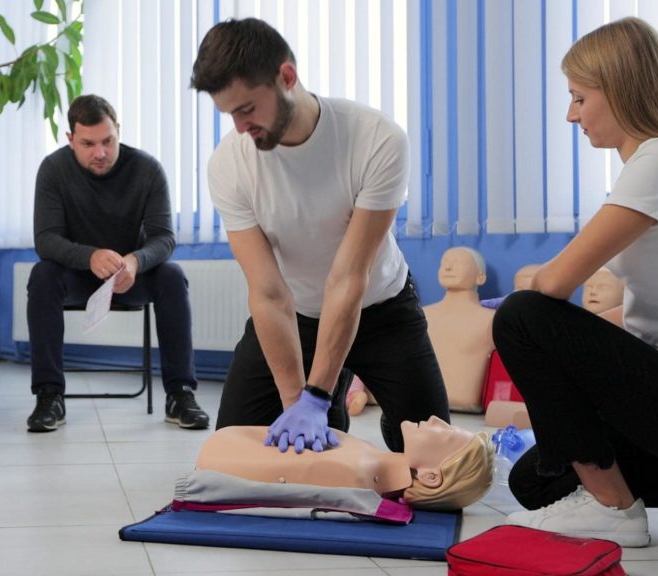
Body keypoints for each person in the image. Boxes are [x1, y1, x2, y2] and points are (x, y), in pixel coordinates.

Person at [494, 17, 658, 547]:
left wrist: (528, 327)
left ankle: (614, 510)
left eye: (579, 98)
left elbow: (553, 283)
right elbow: (645, 314)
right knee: (534, 482)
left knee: (521, 316)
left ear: (619, 90)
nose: (571, 115)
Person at [190, 18, 449, 454]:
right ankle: (331, 402)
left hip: (380, 310)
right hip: (295, 316)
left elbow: (348, 277)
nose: (239, 128)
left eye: (247, 109)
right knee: (232, 450)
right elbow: (269, 293)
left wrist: (315, 398)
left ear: (286, 77)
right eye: (229, 114)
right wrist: (297, 403)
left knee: (434, 454)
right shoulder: (229, 165)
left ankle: (336, 392)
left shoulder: (376, 139)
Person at [26, 94, 209, 432]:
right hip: (78, 275)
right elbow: (46, 240)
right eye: (89, 143)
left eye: (108, 141)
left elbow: (164, 238)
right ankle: (49, 395)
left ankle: (180, 393)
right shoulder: (53, 170)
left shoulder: (147, 169)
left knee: (172, 275)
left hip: (130, 277)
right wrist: (89, 256)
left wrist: (136, 261)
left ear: (118, 131)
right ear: (70, 140)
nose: (100, 152)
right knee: (42, 275)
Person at [194, 416, 494, 511]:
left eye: (447, 432)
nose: (436, 419)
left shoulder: (355, 473)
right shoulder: (367, 454)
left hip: (220, 449)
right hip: (230, 442)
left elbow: (215, 462)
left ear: (430, 477)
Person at [423, 247, 496, 413]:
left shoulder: (491, 320)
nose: (448, 268)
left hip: (470, 419)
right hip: (420, 411)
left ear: (480, 277)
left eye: (457, 263)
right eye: (444, 263)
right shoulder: (421, 316)